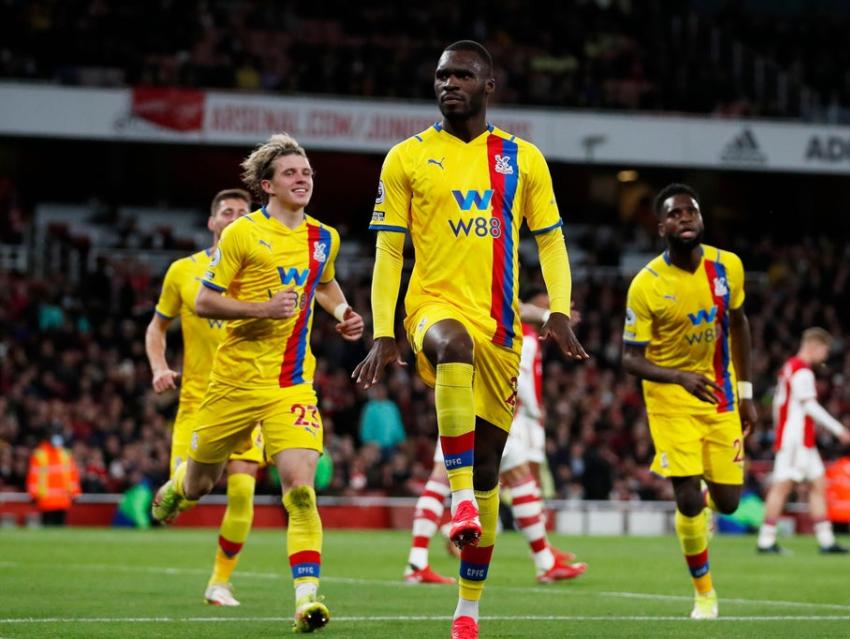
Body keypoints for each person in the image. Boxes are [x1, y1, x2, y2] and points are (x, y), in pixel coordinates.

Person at [352, 40, 587, 639]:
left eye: (462, 74)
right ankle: (457, 499)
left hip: (503, 331)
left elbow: (552, 241)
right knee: (451, 345)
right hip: (431, 311)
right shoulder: (406, 158)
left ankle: (467, 610)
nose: (448, 83)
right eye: (441, 75)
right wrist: (384, 331)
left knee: (488, 475)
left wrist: (558, 309)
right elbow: (387, 250)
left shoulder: (522, 159)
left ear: (490, 85)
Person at [150, 133, 365, 633]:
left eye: (307, 170)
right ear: (267, 185)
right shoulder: (242, 235)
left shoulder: (324, 237)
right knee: (203, 484)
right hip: (230, 386)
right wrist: (262, 309)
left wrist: (343, 310)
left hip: (290, 385)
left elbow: (325, 282)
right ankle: (180, 485)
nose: (303, 178)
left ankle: (307, 599)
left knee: (300, 492)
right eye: (292, 172)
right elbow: (203, 303)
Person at [621, 183, 757, 620]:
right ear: (660, 227)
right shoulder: (646, 285)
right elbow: (629, 358)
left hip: (719, 394)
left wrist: (747, 392)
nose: (685, 219)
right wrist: (678, 377)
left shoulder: (727, 267)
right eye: (675, 215)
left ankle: (706, 508)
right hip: (670, 398)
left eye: (691, 213)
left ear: (701, 221)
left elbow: (739, 325)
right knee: (686, 497)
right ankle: (705, 594)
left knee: (730, 501)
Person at [403, 293, 586, 586]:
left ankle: (417, 561)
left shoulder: (467, 304)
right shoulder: (495, 312)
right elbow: (513, 312)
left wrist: (546, 316)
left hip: (461, 398)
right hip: (485, 406)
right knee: (518, 481)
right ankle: (543, 562)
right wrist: (548, 316)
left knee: (450, 479)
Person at [145, 188, 268, 606]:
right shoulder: (183, 271)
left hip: (248, 398)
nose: (234, 217)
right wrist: (160, 366)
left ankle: (220, 582)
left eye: (243, 212)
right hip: (198, 402)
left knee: (242, 491)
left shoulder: (262, 271)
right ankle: (178, 489)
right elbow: (157, 326)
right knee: (188, 497)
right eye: (227, 212)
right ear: (212, 222)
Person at [756, 327, 850, 554]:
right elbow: (809, 406)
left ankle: (826, 540)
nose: (825, 357)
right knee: (782, 487)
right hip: (796, 440)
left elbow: (777, 406)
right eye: (824, 351)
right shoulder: (802, 371)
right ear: (814, 346)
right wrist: (839, 430)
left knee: (818, 484)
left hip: (799, 439)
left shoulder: (789, 368)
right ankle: (765, 540)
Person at [26, 425, 80, 526]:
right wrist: (33, 494)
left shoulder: (66, 455)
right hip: (46, 502)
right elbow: (33, 477)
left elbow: (72, 476)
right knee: (48, 530)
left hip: (62, 501)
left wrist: (75, 493)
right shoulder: (39, 455)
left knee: (59, 530)